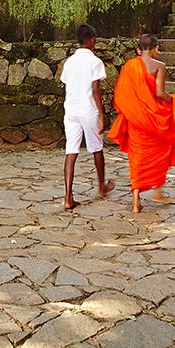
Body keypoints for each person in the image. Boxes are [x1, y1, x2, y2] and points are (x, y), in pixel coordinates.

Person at [107, 34, 175, 214]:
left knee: (137, 158)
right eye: (157, 48)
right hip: (154, 118)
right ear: (155, 49)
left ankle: (136, 201)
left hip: (136, 119)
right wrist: (174, 100)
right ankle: (158, 191)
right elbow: (160, 93)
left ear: (138, 49)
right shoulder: (160, 66)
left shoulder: (130, 66)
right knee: (163, 150)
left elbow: (122, 94)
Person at [59, 23, 115, 210]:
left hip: (71, 109)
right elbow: (95, 90)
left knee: (71, 151)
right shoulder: (95, 62)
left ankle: (68, 196)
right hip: (88, 109)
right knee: (96, 148)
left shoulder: (69, 62)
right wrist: (101, 114)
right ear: (92, 40)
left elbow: (66, 82)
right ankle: (101, 186)